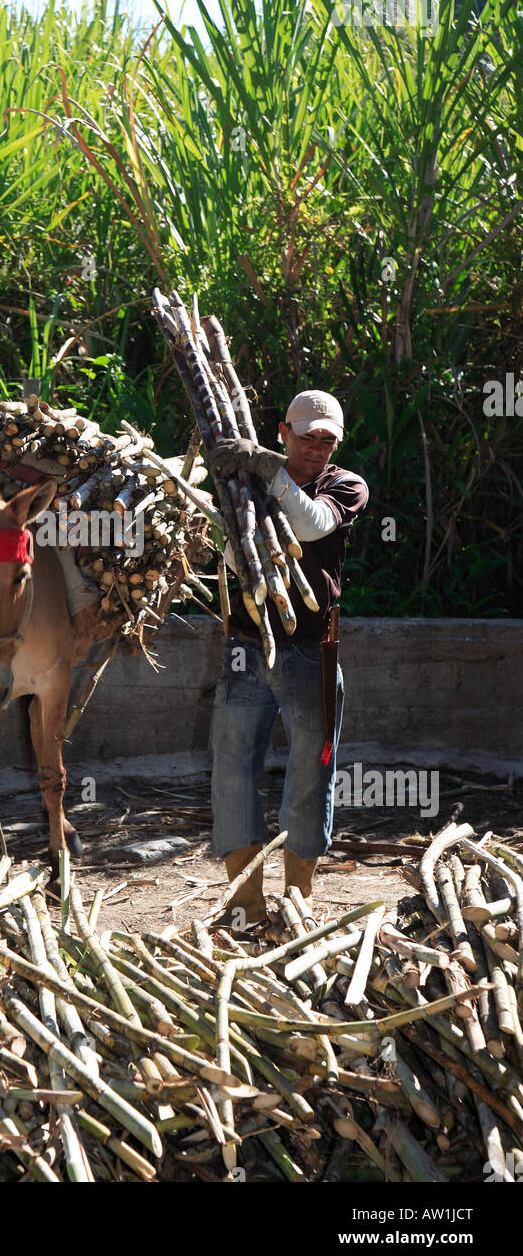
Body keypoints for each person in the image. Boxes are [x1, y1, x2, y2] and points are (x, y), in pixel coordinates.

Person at [207, 389, 369, 923]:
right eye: (307, 438)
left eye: (327, 440)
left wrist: (265, 468)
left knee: (309, 773)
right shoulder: (246, 486)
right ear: (284, 432)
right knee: (231, 768)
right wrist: (245, 496)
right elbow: (233, 555)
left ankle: (298, 900)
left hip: (310, 651)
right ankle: (247, 908)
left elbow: (310, 525)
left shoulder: (345, 486)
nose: (317, 448)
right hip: (246, 646)